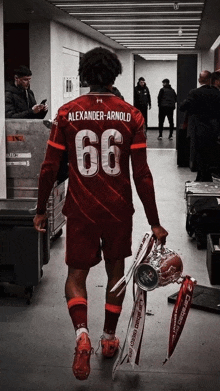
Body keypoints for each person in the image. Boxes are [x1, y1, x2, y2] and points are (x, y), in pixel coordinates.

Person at [33, 47, 168, 381]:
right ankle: (109, 339)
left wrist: (39, 210)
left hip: (80, 209)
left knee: (75, 276)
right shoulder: (132, 115)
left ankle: (82, 335)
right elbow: (143, 175)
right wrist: (155, 221)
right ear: (115, 75)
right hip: (118, 211)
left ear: (83, 75)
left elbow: (49, 168)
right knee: (116, 273)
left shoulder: (66, 113)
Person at [180, 70, 220, 181]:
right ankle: (206, 177)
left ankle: (202, 178)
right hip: (214, 130)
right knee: (211, 154)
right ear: (211, 80)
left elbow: (182, 107)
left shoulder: (194, 93)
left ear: (199, 80)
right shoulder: (217, 93)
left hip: (198, 130)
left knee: (199, 155)